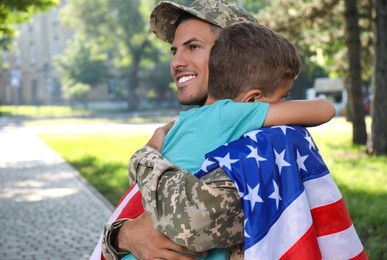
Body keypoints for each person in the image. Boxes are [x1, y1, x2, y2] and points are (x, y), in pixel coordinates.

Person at [98, 1, 366, 260]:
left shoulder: (266, 143)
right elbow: (139, 214)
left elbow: (191, 221)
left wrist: (144, 158)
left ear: (231, 55)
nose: (176, 62)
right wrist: (122, 235)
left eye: (193, 47)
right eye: (174, 50)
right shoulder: (187, 125)